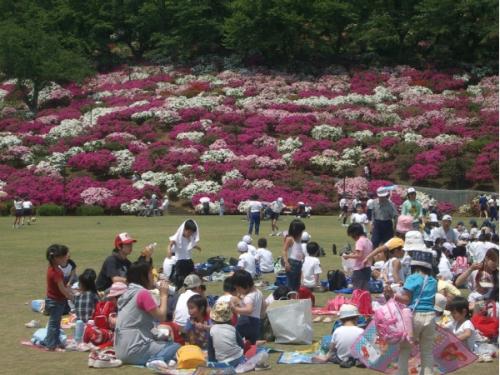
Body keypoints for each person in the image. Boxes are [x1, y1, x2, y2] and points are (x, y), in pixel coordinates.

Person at [114, 261, 180, 369]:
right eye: (151, 274)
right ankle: (157, 359)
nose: (153, 278)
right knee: (175, 347)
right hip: (134, 349)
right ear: (143, 277)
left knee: (164, 341)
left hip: (120, 350)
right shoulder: (143, 294)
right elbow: (162, 316)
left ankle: (162, 359)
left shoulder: (128, 292)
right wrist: (164, 295)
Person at [394, 231, 437, 375]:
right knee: (427, 352)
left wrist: (394, 296)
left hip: (414, 316)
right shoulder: (433, 281)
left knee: (405, 349)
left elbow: (406, 299)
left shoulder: (412, 278)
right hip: (430, 316)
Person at [43, 244, 74, 351]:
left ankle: (54, 342)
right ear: (56, 258)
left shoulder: (53, 268)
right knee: (54, 324)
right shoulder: (56, 272)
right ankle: (51, 345)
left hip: (55, 300)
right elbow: (62, 289)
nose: (67, 257)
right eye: (64, 256)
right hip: (55, 301)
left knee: (56, 322)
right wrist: (71, 297)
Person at [208, 301, 246, 367]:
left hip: (223, 362)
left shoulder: (212, 331)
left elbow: (210, 350)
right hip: (238, 358)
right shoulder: (232, 328)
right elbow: (242, 344)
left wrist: (212, 362)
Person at [231, 270, 264, 345]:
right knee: (252, 345)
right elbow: (263, 306)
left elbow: (249, 310)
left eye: (238, 288)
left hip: (245, 321)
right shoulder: (258, 292)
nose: (238, 291)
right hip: (256, 323)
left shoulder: (248, 297)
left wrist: (235, 309)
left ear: (245, 286)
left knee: (234, 340)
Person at [167, 219, 201, 289]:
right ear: (184, 229)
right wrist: (169, 251)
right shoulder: (177, 237)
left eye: (192, 233)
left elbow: (190, 244)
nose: (190, 234)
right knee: (179, 281)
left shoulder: (190, 237)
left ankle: (189, 291)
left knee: (191, 280)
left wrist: (196, 247)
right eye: (189, 232)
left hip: (189, 261)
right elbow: (170, 245)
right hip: (180, 262)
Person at [344, 223, 373, 291]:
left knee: (357, 290)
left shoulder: (359, 241)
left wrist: (348, 256)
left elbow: (359, 255)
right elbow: (365, 253)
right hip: (368, 268)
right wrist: (354, 253)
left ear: (354, 233)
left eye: (351, 235)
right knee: (365, 290)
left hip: (360, 269)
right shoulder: (368, 241)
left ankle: (357, 302)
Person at [282, 219, 306, 291]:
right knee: (291, 284)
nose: (302, 233)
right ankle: (290, 298)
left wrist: (303, 255)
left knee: (297, 284)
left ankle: (295, 298)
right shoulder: (290, 239)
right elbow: (284, 250)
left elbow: (298, 249)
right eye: (301, 231)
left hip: (298, 263)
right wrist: (286, 262)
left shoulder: (298, 239)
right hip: (292, 263)